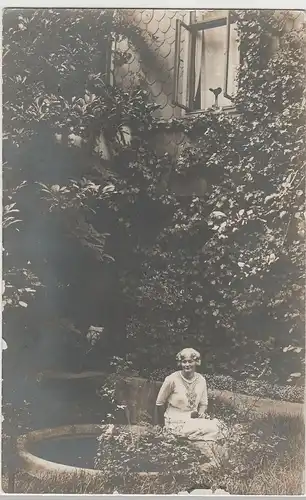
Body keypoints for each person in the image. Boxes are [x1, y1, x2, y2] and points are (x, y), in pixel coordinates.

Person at [155, 347, 225, 467]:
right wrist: (161, 425)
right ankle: (211, 460)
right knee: (215, 429)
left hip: (193, 419)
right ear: (180, 363)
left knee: (221, 426)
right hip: (175, 420)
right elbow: (159, 403)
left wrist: (201, 414)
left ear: (196, 362)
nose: (187, 364)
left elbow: (203, 403)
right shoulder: (172, 379)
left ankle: (217, 458)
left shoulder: (201, 380)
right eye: (184, 361)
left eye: (190, 361)